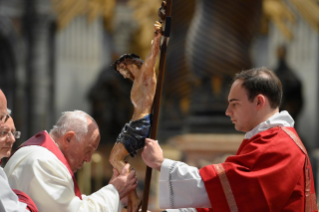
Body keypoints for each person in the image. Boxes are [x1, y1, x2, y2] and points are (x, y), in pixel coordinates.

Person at [142, 67, 318, 212]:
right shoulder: (268, 139)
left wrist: (161, 163)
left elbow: (221, 188)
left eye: (234, 104)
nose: (228, 112)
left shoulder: (279, 145)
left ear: (258, 102)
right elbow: (228, 200)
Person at [4, 110, 138, 212]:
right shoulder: (43, 162)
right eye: (88, 150)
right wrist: (114, 191)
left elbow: (70, 203)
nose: (88, 159)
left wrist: (116, 197)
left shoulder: (39, 154)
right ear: (68, 139)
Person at [109, 21, 162, 212]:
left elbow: (153, 55)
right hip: (135, 123)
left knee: (115, 158)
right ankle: (132, 199)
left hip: (140, 123)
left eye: (124, 69)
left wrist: (157, 36)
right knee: (115, 159)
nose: (124, 74)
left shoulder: (146, 76)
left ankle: (134, 197)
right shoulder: (138, 81)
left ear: (130, 64)